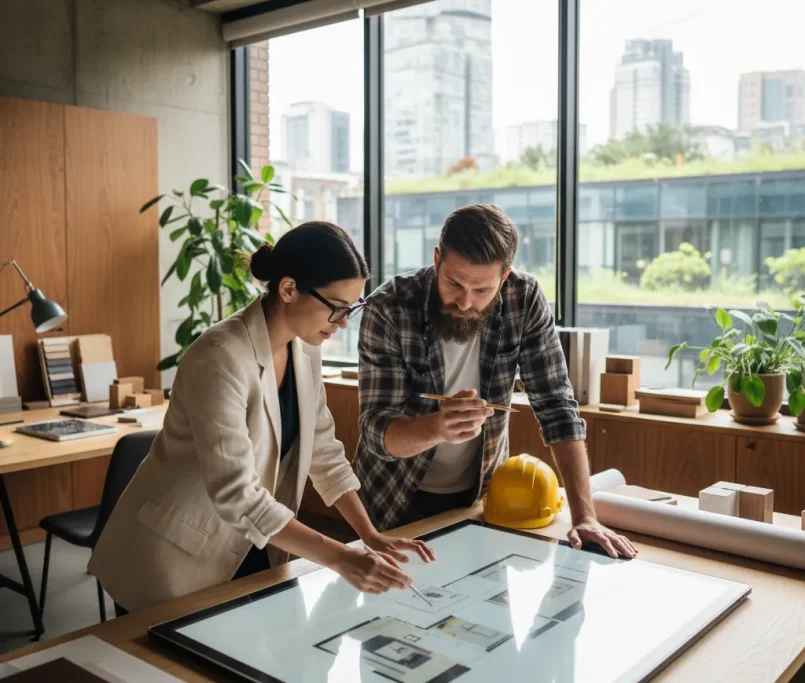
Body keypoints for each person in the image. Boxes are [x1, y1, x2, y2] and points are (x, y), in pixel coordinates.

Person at [89, 222, 434, 615]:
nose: (342, 323)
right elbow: (237, 492)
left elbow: (324, 452)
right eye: (337, 307)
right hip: (173, 555)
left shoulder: (305, 348)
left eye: (351, 309)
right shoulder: (220, 356)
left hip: (253, 541)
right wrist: (340, 557)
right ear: (288, 289)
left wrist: (369, 535)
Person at [354, 205, 637, 559]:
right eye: (454, 284)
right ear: (437, 259)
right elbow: (375, 430)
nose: (465, 302)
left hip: (480, 498)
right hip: (390, 500)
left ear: (504, 278)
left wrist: (585, 517)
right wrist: (437, 427)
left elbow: (557, 406)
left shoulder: (524, 298)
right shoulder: (389, 305)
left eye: (482, 290)